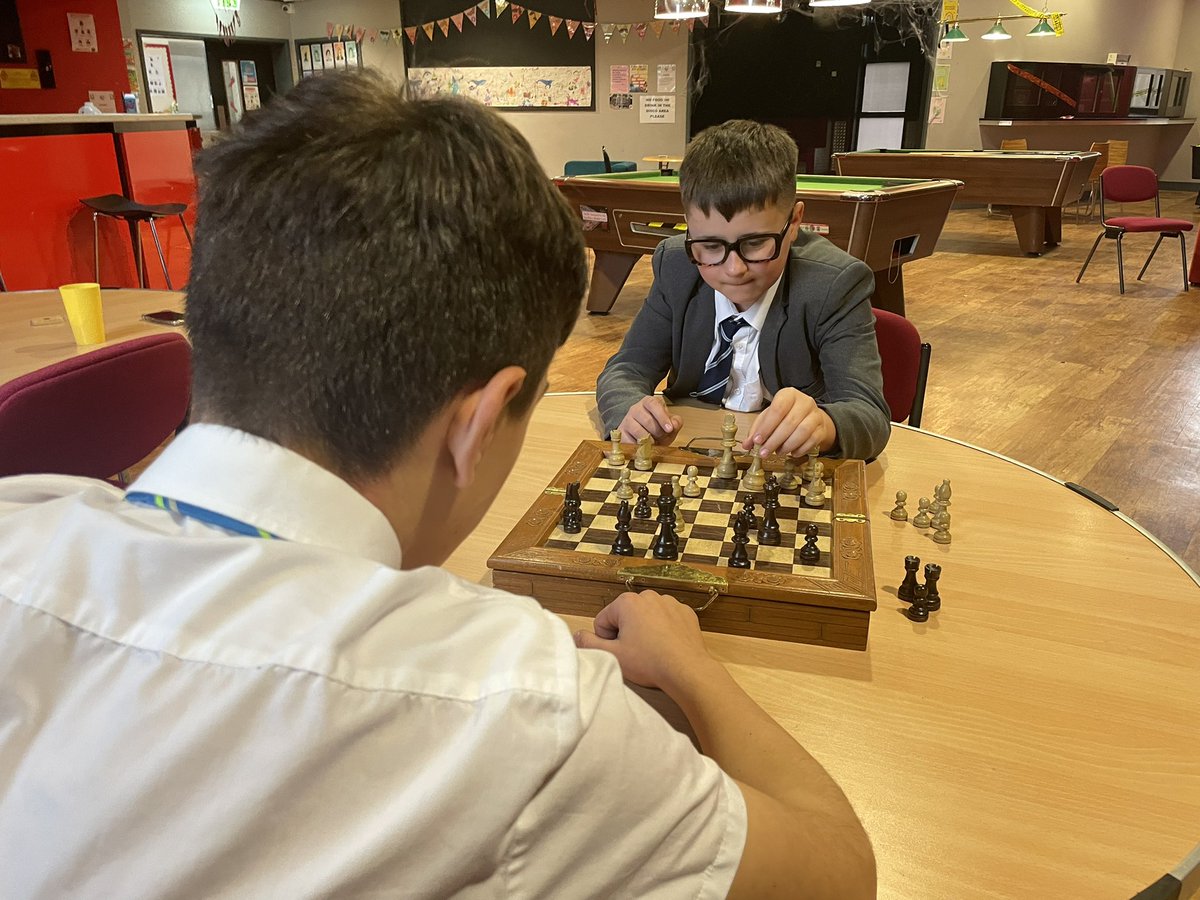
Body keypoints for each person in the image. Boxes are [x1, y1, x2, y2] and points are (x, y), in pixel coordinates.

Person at [0, 72, 874, 898]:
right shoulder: (525, 715)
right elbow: (836, 870)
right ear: (483, 422)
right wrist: (689, 665)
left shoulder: (18, 527)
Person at [596, 120, 891, 462]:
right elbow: (627, 368)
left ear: (794, 223)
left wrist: (826, 425)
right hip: (687, 455)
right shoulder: (676, 264)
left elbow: (868, 414)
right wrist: (629, 413)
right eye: (709, 245)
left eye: (755, 243)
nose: (734, 269)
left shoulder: (835, 283)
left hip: (783, 470)